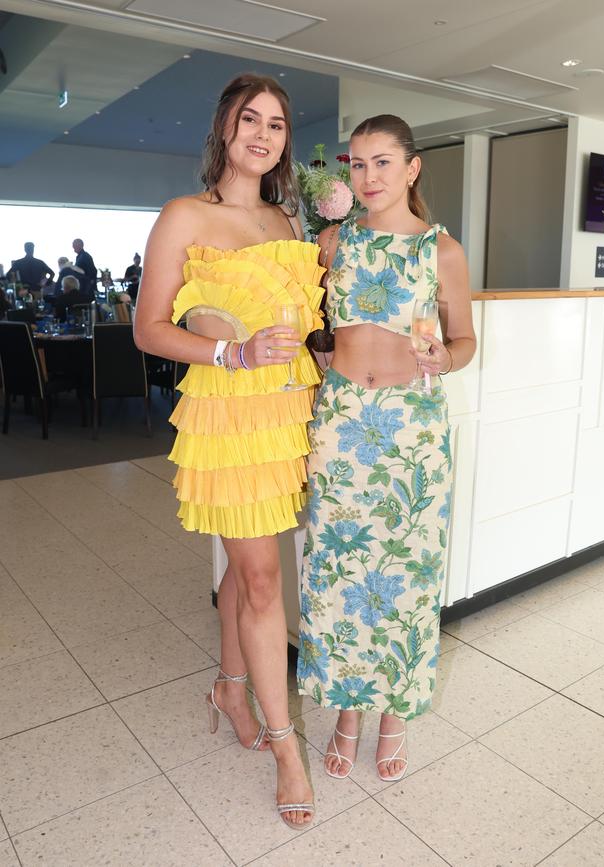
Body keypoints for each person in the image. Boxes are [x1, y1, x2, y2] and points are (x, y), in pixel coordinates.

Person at [134, 73, 325, 830]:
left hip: (281, 420)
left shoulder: (285, 223)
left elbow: (298, 330)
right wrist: (230, 357)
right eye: (251, 119)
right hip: (223, 412)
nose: (264, 134)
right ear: (224, 127)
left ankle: (228, 686)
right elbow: (151, 329)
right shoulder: (185, 216)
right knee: (260, 578)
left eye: (277, 124)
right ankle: (286, 749)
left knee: (246, 577)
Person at [297, 114, 476, 783]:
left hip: (412, 431)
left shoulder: (442, 250)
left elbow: (464, 341)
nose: (368, 178)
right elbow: (312, 326)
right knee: (339, 580)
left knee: (405, 582)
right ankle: (347, 712)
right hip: (342, 423)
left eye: (382, 163)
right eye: (358, 165)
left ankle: (394, 713)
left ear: (411, 168)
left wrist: (442, 357)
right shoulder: (331, 242)